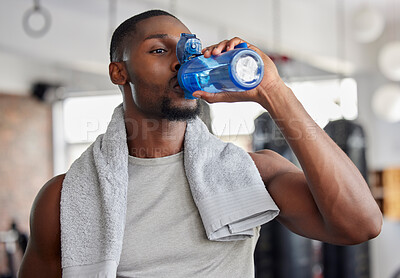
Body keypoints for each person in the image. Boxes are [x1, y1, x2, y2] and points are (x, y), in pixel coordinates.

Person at [18, 9, 382, 278]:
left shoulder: (252, 173)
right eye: (159, 50)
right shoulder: (66, 198)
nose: (181, 62)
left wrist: (273, 92)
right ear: (119, 72)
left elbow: (360, 225)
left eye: (188, 50)